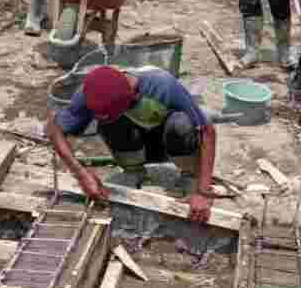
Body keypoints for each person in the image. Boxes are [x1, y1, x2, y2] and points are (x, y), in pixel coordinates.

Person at [46, 66, 218, 224]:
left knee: (180, 123)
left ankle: (189, 177)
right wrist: (81, 173)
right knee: (111, 123)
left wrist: (203, 191)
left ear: (133, 96)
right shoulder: (91, 92)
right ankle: (134, 171)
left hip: (172, 143)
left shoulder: (162, 84)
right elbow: (54, 129)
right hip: (137, 145)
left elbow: (207, 131)